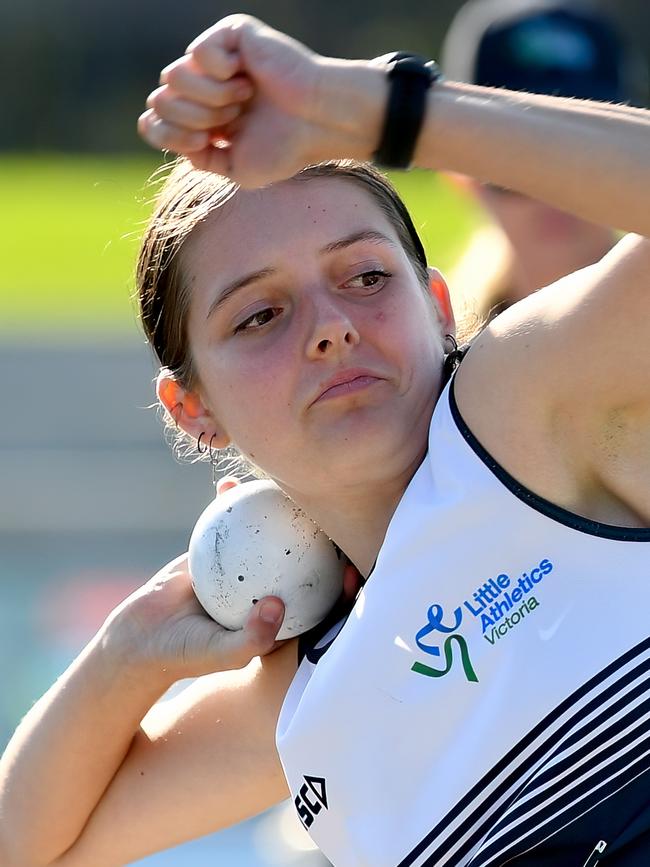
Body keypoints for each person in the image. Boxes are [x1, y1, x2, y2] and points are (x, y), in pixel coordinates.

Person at [1, 13, 649, 867]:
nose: (331, 328)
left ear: (440, 307)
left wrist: (369, 108)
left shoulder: (529, 408)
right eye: (262, 315)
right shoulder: (304, 691)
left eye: (367, 276)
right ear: (194, 408)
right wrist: (129, 653)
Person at [440, 0, 649, 321]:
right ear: (459, 171)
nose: (553, 184)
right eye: (517, 153)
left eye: (586, 152)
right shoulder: (430, 351)